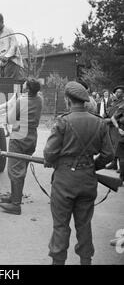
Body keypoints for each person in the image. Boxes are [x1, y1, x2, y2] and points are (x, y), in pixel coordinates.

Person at [43, 81, 114, 265]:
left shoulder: (62, 121)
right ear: (84, 101)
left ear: (67, 100)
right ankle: (86, 261)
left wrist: (51, 162)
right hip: (88, 180)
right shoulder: (99, 122)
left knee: (60, 226)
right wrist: (92, 166)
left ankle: (58, 261)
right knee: (84, 226)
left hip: (64, 181)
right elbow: (108, 154)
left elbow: (49, 153)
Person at [0, 78, 43, 215]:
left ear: (28, 89)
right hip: (32, 137)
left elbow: (10, 119)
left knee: (14, 170)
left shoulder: (21, 101)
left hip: (19, 137)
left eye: (25, 84)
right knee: (21, 169)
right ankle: (14, 197)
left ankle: (16, 205)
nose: (23, 84)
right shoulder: (39, 99)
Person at [0, 13, 26, 81]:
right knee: (3, 83)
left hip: (11, 61)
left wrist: (7, 56)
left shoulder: (8, 30)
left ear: (2, 22)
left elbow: (14, 45)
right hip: (2, 63)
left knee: (9, 82)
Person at [105, 85, 124, 170]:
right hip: (110, 126)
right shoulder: (113, 102)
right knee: (113, 145)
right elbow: (108, 112)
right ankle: (114, 163)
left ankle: (120, 164)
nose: (117, 93)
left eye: (120, 92)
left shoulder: (122, 103)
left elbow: (118, 117)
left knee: (118, 145)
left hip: (117, 126)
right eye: (116, 92)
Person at [111, 100, 124, 186]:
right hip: (123, 136)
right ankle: (122, 178)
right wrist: (118, 128)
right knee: (122, 158)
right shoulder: (122, 107)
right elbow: (113, 118)